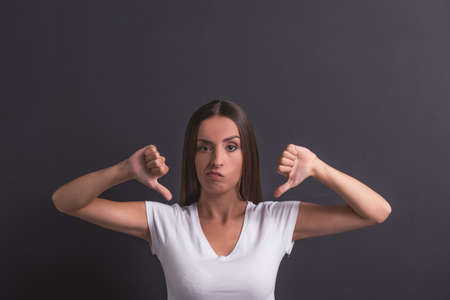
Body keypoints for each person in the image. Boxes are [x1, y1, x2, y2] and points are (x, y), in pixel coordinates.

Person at [52, 99, 392, 300]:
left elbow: (376, 212)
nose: (217, 160)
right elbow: (66, 201)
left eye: (231, 147)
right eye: (204, 147)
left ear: (247, 156)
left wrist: (319, 169)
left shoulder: (275, 222)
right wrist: (124, 170)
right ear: (193, 156)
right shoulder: (165, 223)